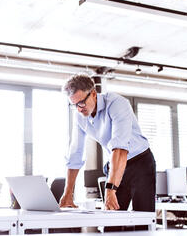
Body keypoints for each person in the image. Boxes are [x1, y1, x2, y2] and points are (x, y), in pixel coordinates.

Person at [59, 74, 156, 214]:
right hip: (115, 164)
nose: (79, 109)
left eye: (81, 103)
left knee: (143, 218)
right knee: (111, 220)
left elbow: (120, 148)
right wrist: (68, 194)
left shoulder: (117, 103)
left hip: (140, 163)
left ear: (93, 94)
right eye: (74, 105)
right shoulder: (79, 116)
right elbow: (75, 154)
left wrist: (110, 189)